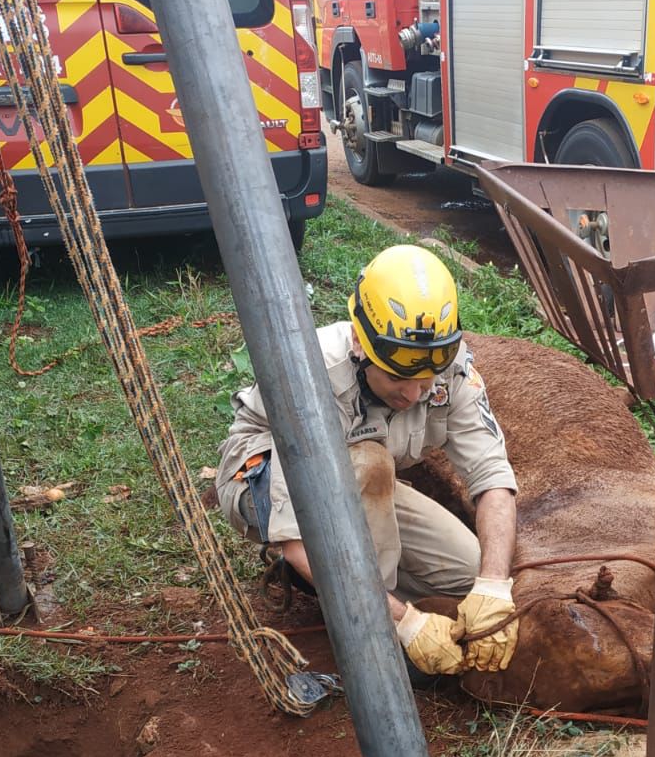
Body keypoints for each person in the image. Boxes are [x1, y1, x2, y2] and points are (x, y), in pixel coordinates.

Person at [215, 244, 519, 677]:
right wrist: (405, 622)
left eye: (424, 379)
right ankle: (370, 631)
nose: (415, 395)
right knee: (372, 465)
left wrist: (493, 585)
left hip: (360, 474)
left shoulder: (448, 365)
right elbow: (296, 537)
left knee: (467, 568)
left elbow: (493, 477)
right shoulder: (308, 372)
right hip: (263, 470)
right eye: (398, 377)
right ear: (361, 343)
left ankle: (367, 585)